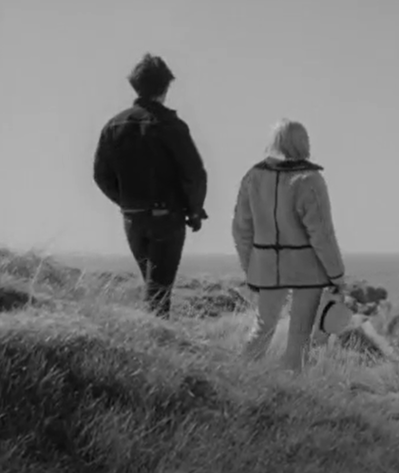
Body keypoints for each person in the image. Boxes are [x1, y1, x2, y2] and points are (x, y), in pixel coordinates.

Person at [93, 53, 208, 318]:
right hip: (166, 216)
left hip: (132, 217)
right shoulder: (171, 125)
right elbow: (195, 174)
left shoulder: (114, 125)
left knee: (153, 286)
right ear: (166, 87)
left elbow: (101, 175)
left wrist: (125, 202)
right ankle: (155, 347)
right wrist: (194, 209)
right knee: (159, 292)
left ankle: (150, 343)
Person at [232, 119, 346, 373]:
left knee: (261, 328)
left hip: (265, 265)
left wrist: (249, 266)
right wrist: (337, 274)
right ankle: (291, 389)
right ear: (304, 143)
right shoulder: (310, 179)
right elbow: (322, 234)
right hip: (307, 269)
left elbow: (241, 228)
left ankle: (239, 378)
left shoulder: (253, 176)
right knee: (299, 337)